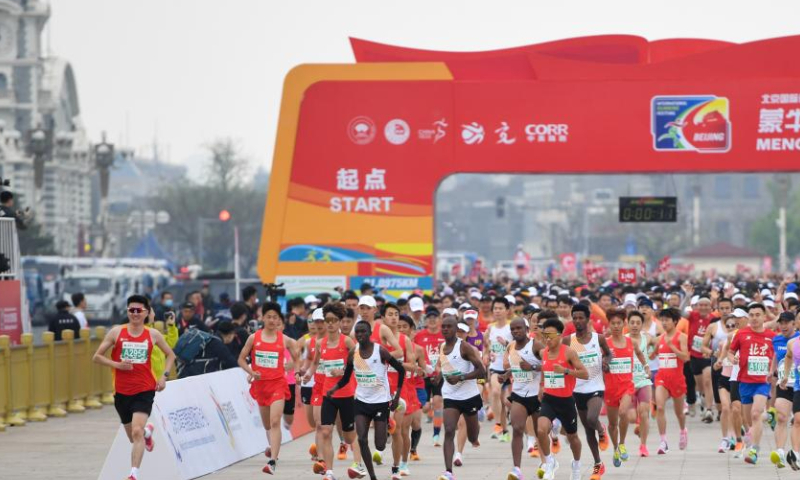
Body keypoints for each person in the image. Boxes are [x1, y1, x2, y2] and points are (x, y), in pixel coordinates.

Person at [92, 295, 176, 480]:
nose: (135, 314)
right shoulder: (116, 332)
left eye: (139, 310)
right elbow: (97, 356)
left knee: (136, 432)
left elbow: (171, 355)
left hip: (145, 389)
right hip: (121, 392)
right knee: (134, 437)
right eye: (131, 310)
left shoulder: (153, 335)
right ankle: (148, 433)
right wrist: (117, 365)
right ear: (127, 311)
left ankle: (133, 474)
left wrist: (164, 376)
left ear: (146, 312)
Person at [329, 320, 405, 480]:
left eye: (363, 331)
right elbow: (345, 379)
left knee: (380, 445)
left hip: (381, 401)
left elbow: (401, 370)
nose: (360, 335)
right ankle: (372, 476)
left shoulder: (380, 351)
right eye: (357, 332)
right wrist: (334, 389)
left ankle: (386, 427)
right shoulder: (353, 353)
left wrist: (396, 396)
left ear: (370, 334)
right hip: (361, 402)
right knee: (362, 438)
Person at [303, 302, 365, 480]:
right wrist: (308, 374)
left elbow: (359, 362)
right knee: (325, 431)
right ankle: (329, 472)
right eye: (327, 320)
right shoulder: (320, 343)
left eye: (334, 320)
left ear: (339, 322)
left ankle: (358, 465)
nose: (330, 324)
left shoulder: (346, 341)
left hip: (346, 394)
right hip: (327, 395)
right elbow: (315, 363)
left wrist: (344, 370)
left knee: (350, 435)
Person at [238, 301, 301, 475]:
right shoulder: (254, 338)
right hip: (261, 386)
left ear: (279, 319)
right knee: (267, 424)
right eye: (268, 317)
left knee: (275, 421)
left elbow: (297, 356)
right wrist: (251, 371)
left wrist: (296, 372)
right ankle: (272, 447)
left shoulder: (285, 339)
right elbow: (241, 359)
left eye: (275, 317)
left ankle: (272, 460)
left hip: (278, 384)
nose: (272, 320)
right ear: (262, 318)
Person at [564, 303, 612, 480]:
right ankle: (598, 464)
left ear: (587, 319)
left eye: (580, 317)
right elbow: (561, 359)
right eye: (574, 317)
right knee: (587, 430)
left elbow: (608, 353)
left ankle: (602, 429)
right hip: (577, 390)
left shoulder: (598, 338)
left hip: (596, 386)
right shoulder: (568, 340)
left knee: (593, 419)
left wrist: (606, 361)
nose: (577, 321)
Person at [536, 317, 588, 480]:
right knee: (541, 430)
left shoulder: (569, 352)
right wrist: (542, 385)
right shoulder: (544, 352)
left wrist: (566, 371)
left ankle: (577, 465)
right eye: (545, 335)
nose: (547, 339)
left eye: (550, 335)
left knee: (573, 437)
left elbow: (585, 373)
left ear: (559, 335)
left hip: (566, 401)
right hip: (549, 399)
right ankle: (550, 462)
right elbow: (545, 370)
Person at [436, 316, 486, 480]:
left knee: (472, 437)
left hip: (469, 396)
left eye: (449, 326)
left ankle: (475, 429)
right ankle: (448, 472)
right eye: (443, 326)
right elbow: (443, 368)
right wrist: (437, 377)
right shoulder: (441, 347)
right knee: (449, 430)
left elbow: (481, 371)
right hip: (450, 396)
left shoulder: (464, 347)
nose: (445, 329)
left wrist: (462, 378)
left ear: (456, 329)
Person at [729, 302, 775, 465]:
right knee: (749, 420)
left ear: (763, 317)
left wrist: (773, 370)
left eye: (758, 315)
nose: (755, 318)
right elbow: (730, 351)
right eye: (752, 315)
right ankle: (769, 416)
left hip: (762, 382)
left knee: (756, 414)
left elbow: (778, 355)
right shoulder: (741, 334)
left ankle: (754, 450)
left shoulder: (771, 335)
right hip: (744, 382)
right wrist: (731, 358)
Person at [604, 309, 649, 467]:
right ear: (609, 325)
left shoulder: (631, 342)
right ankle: (615, 447)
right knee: (611, 424)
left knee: (623, 412)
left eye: (619, 323)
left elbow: (639, 353)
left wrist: (646, 366)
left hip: (627, 386)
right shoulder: (605, 343)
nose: (616, 326)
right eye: (613, 324)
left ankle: (622, 443)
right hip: (610, 388)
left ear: (624, 324)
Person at [501, 317, 544, 480]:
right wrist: (505, 375)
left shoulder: (535, 345)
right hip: (519, 395)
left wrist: (533, 366)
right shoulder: (511, 346)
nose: (515, 331)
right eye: (513, 329)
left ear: (526, 329)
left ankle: (546, 462)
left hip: (536, 396)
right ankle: (517, 469)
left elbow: (550, 363)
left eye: (519, 328)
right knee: (517, 429)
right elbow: (515, 367)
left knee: (541, 432)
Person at [654, 307, 689, 455]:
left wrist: (672, 346)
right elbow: (652, 355)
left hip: (677, 379)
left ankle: (683, 430)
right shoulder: (660, 338)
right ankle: (663, 442)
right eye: (662, 320)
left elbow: (685, 357)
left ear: (675, 321)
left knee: (679, 413)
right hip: (662, 378)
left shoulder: (681, 337)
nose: (664, 322)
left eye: (667, 320)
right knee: (660, 408)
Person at [624, 310, 656, 457]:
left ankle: (643, 446)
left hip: (643, 379)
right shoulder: (623, 339)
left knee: (644, 413)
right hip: (627, 382)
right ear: (627, 324)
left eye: (638, 323)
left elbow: (659, 343)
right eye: (632, 323)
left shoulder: (647, 338)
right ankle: (639, 427)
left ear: (642, 324)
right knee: (630, 417)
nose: (635, 326)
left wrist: (653, 355)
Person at [770, 311, 799, 467]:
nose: (783, 326)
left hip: (798, 384)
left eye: (787, 323)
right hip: (784, 383)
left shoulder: (798, 338)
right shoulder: (777, 339)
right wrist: (772, 370)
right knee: (781, 417)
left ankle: (796, 453)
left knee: (798, 421)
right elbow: (777, 356)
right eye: (781, 323)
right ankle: (780, 452)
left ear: (794, 324)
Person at [414, 307, 445, 446]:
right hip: (424, 375)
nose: (432, 320)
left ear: (439, 320)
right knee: (425, 407)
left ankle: (436, 435)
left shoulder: (444, 335)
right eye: (429, 318)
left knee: (438, 402)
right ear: (425, 321)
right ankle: (430, 409)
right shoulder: (419, 335)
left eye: (435, 318)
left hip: (439, 374)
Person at [485, 297, 513, 443]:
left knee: (506, 401)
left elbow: (519, 346)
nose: (497, 311)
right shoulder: (490, 328)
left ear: (507, 310)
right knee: (495, 393)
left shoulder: (512, 326)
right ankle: (498, 425)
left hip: (512, 369)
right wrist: (487, 354)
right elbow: (487, 347)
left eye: (500, 308)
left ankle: (506, 429)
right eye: (495, 308)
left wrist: (506, 343)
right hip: (496, 368)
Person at [779, 324, 800, 469]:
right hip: (798, 386)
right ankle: (796, 455)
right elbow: (788, 357)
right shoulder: (793, 343)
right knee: (797, 420)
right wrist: (786, 376)